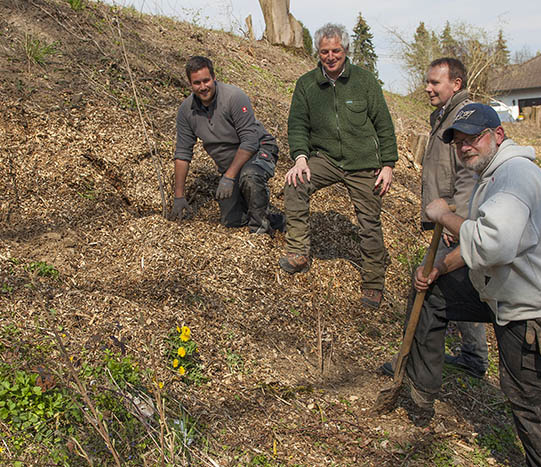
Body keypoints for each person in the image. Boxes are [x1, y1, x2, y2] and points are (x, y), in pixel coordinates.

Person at [406, 103, 541, 466]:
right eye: (459, 142)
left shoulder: (514, 177)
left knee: (529, 400)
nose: (465, 147)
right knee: (431, 292)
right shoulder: (493, 176)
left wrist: (443, 214)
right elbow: (483, 244)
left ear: (498, 136)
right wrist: (441, 266)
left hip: (537, 308)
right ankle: (420, 391)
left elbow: (493, 244)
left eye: (474, 137)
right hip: (507, 291)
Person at [279, 23, 398, 309]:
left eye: (336, 51)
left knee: (369, 222)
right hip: (327, 159)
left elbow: (383, 123)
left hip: (363, 163)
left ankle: (372, 282)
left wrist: (388, 165)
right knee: (295, 183)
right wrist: (300, 158)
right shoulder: (306, 85)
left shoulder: (365, 81)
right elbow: (297, 125)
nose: (330, 56)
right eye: (324, 52)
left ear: (345, 50)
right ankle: (298, 252)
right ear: (317, 53)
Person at [383, 58, 488, 378]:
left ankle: (410, 359)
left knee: (427, 286)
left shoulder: (463, 118)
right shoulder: (443, 115)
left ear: (456, 84)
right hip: (446, 217)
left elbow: (471, 176)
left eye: (435, 83)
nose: (427, 88)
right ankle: (474, 355)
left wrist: (456, 222)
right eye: (427, 82)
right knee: (456, 284)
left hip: (454, 218)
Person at [169, 56, 283, 234]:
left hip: (259, 149)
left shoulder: (234, 97)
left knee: (250, 177)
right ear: (190, 84)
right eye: (197, 83)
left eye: (206, 80)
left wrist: (229, 177)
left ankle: (260, 232)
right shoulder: (186, 111)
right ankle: (275, 219)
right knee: (231, 220)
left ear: (214, 77)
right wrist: (179, 196)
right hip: (230, 164)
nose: (203, 87)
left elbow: (250, 141)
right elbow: (183, 154)